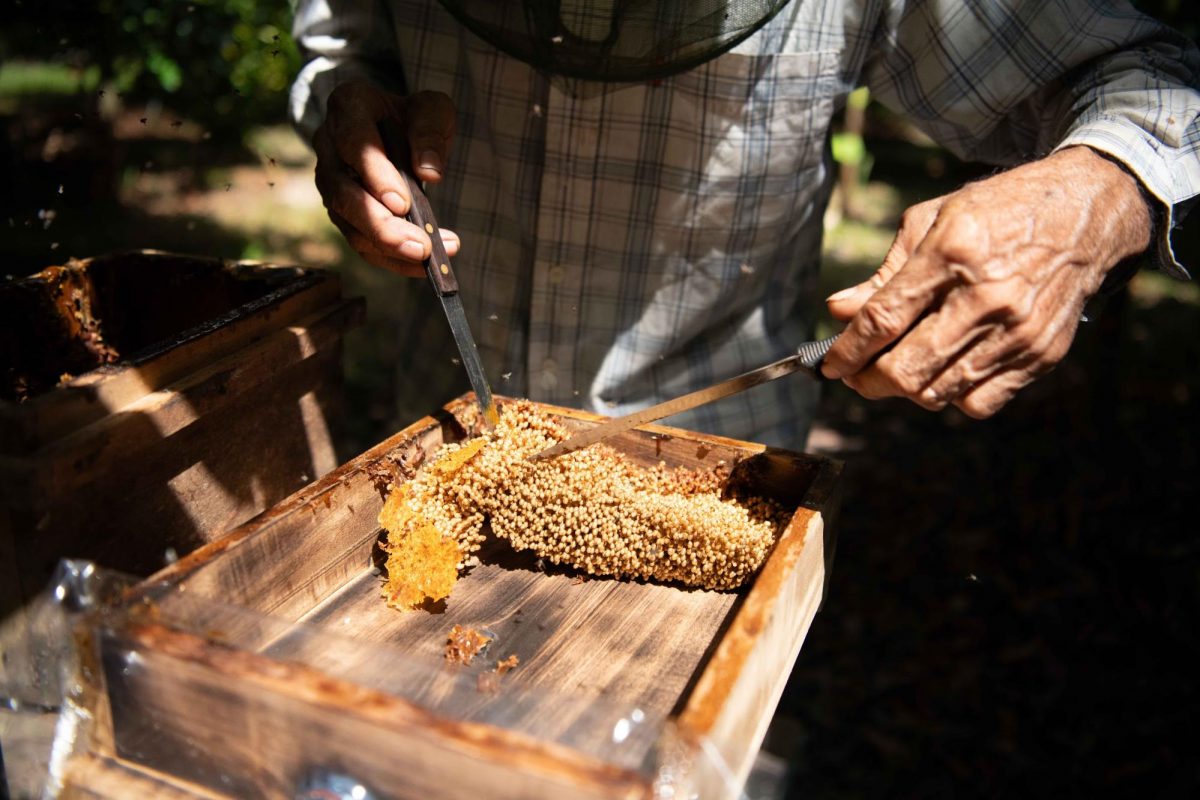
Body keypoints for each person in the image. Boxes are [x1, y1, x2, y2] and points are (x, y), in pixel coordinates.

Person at [290, 0, 1198, 448]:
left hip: (720, 464)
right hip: (441, 427)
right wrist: (352, 108)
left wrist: (1091, 194)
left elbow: (1155, 85)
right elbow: (342, 46)